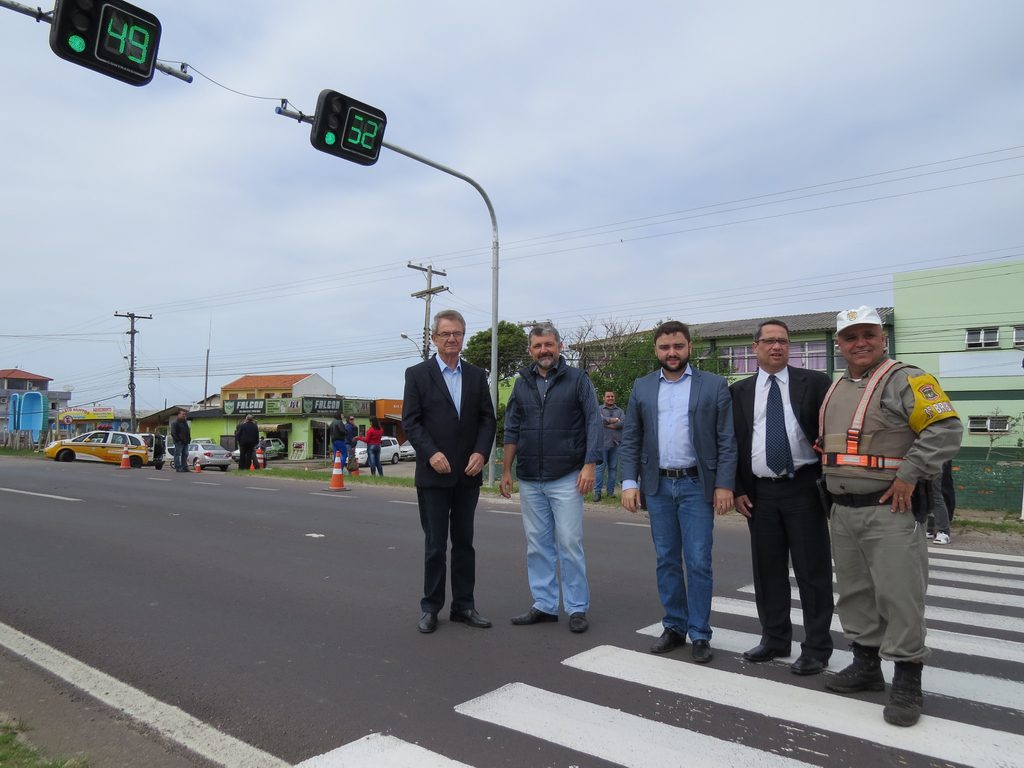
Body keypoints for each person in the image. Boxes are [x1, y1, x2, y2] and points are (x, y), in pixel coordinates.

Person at [820, 306, 962, 727]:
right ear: (839, 344)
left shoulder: (906, 379)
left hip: (891, 510)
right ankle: (866, 666)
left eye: (869, 334)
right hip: (843, 511)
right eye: (850, 337)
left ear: (883, 338)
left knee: (900, 595)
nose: (860, 343)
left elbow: (946, 429)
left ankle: (907, 679)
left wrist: (909, 474)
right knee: (855, 594)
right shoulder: (837, 387)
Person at [619, 320, 736, 663]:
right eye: (665, 347)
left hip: (696, 485)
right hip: (657, 486)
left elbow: (727, 439)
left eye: (678, 346)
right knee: (667, 559)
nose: (672, 353)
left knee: (698, 560)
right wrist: (629, 482)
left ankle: (699, 633)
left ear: (689, 347)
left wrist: (724, 484)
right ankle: (674, 625)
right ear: (656, 350)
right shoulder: (642, 387)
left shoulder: (713, 385)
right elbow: (631, 438)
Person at [730, 319, 833, 675]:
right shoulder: (739, 392)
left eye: (783, 341)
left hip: (803, 488)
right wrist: (738, 488)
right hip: (759, 494)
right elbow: (733, 443)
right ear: (755, 347)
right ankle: (775, 638)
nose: (777, 347)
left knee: (812, 571)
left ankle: (817, 647)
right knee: (768, 570)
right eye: (770, 341)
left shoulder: (815, 383)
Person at [500, 323, 603, 634]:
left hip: (567, 476)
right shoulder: (522, 383)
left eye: (548, 344)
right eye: (537, 346)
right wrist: (506, 470)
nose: (543, 350)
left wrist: (590, 465)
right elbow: (512, 427)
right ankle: (544, 604)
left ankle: (576, 607)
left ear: (560, 346)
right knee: (537, 545)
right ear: (530, 350)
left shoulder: (578, 379)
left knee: (570, 543)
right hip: (531, 478)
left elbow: (593, 421)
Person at [402, 309, 496, 634]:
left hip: (468, 474)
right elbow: (411, 421)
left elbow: (487, 419)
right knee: (435, 546)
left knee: (465, 543)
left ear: (463, 337)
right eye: (445, 334)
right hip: (434, 475)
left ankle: (464, 606)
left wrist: (481, 452)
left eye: (457, 333)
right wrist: (431, 453)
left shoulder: (477, 375)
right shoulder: (417, 375)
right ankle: (430, 608)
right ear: (434, 338)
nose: (452, 339)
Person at [593, 391, 625, 502]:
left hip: (616, 444)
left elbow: (623, 423)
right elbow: (598, 420)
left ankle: (610, 492)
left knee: (613, 468)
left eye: (612, 396)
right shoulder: (599, 409)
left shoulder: (620, 411)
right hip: (602, 443)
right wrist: (613, 420)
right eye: (608, 396)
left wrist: (606, 424)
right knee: (600, 468)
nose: (610, 398)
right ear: (604, 398)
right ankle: (597, 493)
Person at [926, 460, 955, 545]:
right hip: (923, 460)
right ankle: (930, 528)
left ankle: (944, 531)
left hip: (936, 460)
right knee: (926, 493)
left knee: (935, 494)